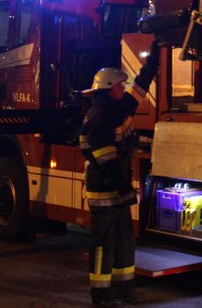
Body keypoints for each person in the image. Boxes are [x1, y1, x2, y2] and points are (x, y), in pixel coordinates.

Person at [80, 41, 160, 307]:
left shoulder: (118, 107)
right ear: (108, 88)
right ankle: (101, 294)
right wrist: (123, 187)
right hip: (104, 190)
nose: (123, 89)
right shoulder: (99, 116)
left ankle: (124, 288)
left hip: (117, 188)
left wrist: (154, 59)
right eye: (119, 86)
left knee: (125, 239)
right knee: (103, 243)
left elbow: (140, 86)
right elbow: (105, 159)